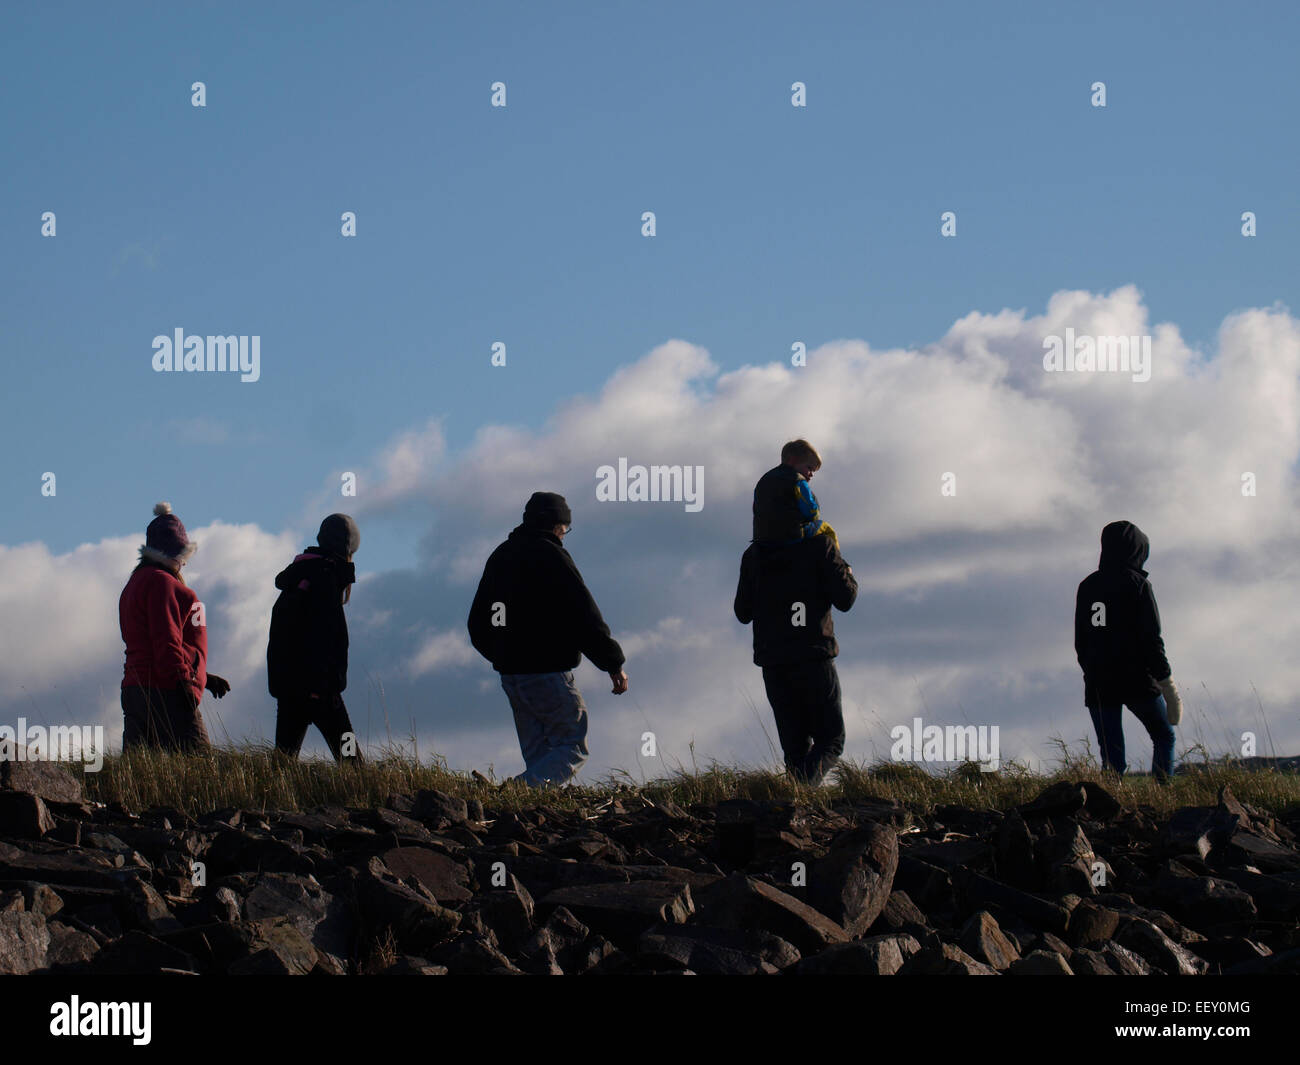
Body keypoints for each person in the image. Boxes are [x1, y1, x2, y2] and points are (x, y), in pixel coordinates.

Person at [467, 492, 627, 787]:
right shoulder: (552, 555)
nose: (565, 536)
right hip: (548, 672)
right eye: (565, 529)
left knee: (540, 757)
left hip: (512, 676)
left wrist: (504, 655)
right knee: (572, 747)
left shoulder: (501, 556)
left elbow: (477, 622)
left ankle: (526, 815)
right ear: (557, 526)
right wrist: (613, 663)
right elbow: (583, 615)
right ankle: (514, 791)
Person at [735, 459, 857, 787]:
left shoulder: (753, 556)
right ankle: (797, 795)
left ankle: (791, 810)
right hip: (813, 654)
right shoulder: (820, 545)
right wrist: (842, 564)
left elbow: (742, 612)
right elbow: (846, 599)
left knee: (794, 750)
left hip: (774, 661)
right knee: (831, 740)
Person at [1074, 520, 1181, 781]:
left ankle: (1106, 811)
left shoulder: (1088, 586)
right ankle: (1162, 792)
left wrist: (1092, 670)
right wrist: (1167, 684)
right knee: (1164, 735)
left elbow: (1082, 639)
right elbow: (1151, 640)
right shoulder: (1138, 586)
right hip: (1137, 680)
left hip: (1099, 682)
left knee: (1112, 759)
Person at [119, 502, 230, 752]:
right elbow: (166, 639)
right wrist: (184, 681)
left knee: (140, 774)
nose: (184, 564)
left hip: (135, 688)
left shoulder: (135, 583)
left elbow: (151, 642)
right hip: (165, 689)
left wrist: (203, 677)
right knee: (199, 766)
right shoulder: (163, 584)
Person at [267, 514, 364, 763]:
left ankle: (266, 801)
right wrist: (327, 686)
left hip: (290, 691)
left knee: (283, 764)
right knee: (353, 765)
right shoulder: (325, 578)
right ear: (348, 549)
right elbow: (329, 639)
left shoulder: (299, 578)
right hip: (321, 692)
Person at [752, 438, 838, 548]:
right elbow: (812, 512)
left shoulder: (763, 480)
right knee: (827, 529)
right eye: (809, 468)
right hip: (791, 535)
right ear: (792, 461)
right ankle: (841, 564)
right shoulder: (798, 480)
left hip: (763, 538)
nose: (811, 474)